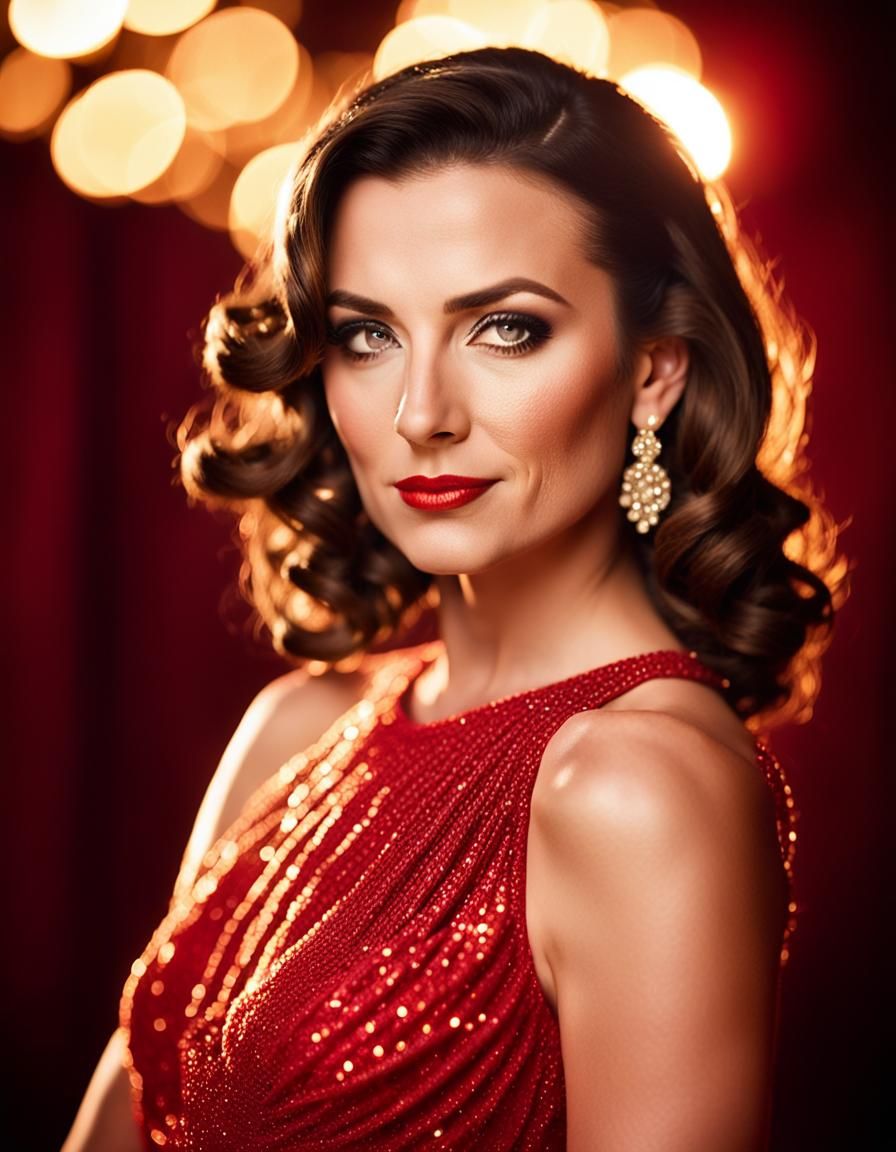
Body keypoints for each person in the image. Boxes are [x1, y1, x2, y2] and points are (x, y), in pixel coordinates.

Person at [64, 45, 843, 1151]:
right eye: (367, 334)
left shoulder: (640, 790)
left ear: (652, 371)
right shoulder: (300, 725)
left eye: (505, 328)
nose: (421, 410)